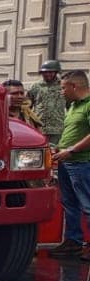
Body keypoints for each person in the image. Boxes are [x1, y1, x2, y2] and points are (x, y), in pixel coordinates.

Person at [50, 70, 90, 260]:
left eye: (63, 87)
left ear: (75, 86)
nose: (61, 91)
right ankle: (73, 241)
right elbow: (72, 131)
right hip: (67, 162)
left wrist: (72, 149)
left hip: (82, 162)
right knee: (69, 204)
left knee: (87, 205)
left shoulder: (88, 105)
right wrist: (59, 148)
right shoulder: (73, 106)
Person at [29, 59, 65, 143]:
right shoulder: (36, 86)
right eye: (45, 72)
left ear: (56, 72)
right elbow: (27, 106)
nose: (47, 74)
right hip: (39, 127)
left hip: (58, 128)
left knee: (55, 152)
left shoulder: (62, 85)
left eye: (50, 72)